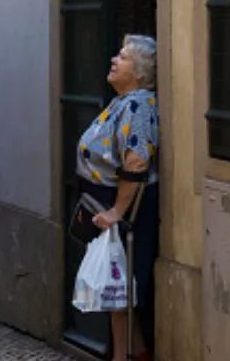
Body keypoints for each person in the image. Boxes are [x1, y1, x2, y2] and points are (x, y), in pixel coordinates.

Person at [75, 34, 160, 361]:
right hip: (103, 202)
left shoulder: (138, 106)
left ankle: (122, 357)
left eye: (122, 58)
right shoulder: (124, 101)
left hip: (122, 208)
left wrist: (116, 211)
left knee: (119, 289)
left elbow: (136, 163)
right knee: (115, 288)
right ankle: (137, 351)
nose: (114, 60)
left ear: (139, 72)